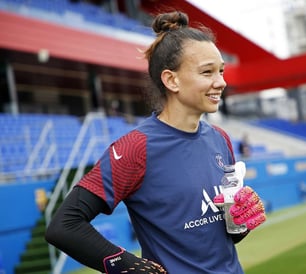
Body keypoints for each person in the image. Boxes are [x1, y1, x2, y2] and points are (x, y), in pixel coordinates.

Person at [45, 11, 266, 274]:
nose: (221, 81)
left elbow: (221, 237)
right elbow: (64, 226)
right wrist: (128, 265)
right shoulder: (135, 148)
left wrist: (240, 221)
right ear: (171, 80)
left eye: (220, 71)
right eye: (207, 72)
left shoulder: (221, 139)